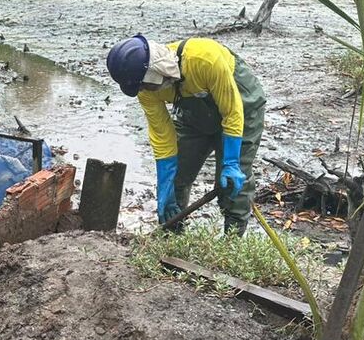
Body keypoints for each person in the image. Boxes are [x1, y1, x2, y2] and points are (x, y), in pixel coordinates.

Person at [105, 35, 266, 235]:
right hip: (194, 115)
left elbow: (232, 113)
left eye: (146, 85)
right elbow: (163, 138)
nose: (145, 90)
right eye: (141, 87)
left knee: (231, 187)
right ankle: (173, 237)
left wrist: (231, 163)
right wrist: (165, 187)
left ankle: (231, 243)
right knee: (177, 180)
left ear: (156, 71)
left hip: (242, 108)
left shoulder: (204, 59)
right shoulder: (145, 90)